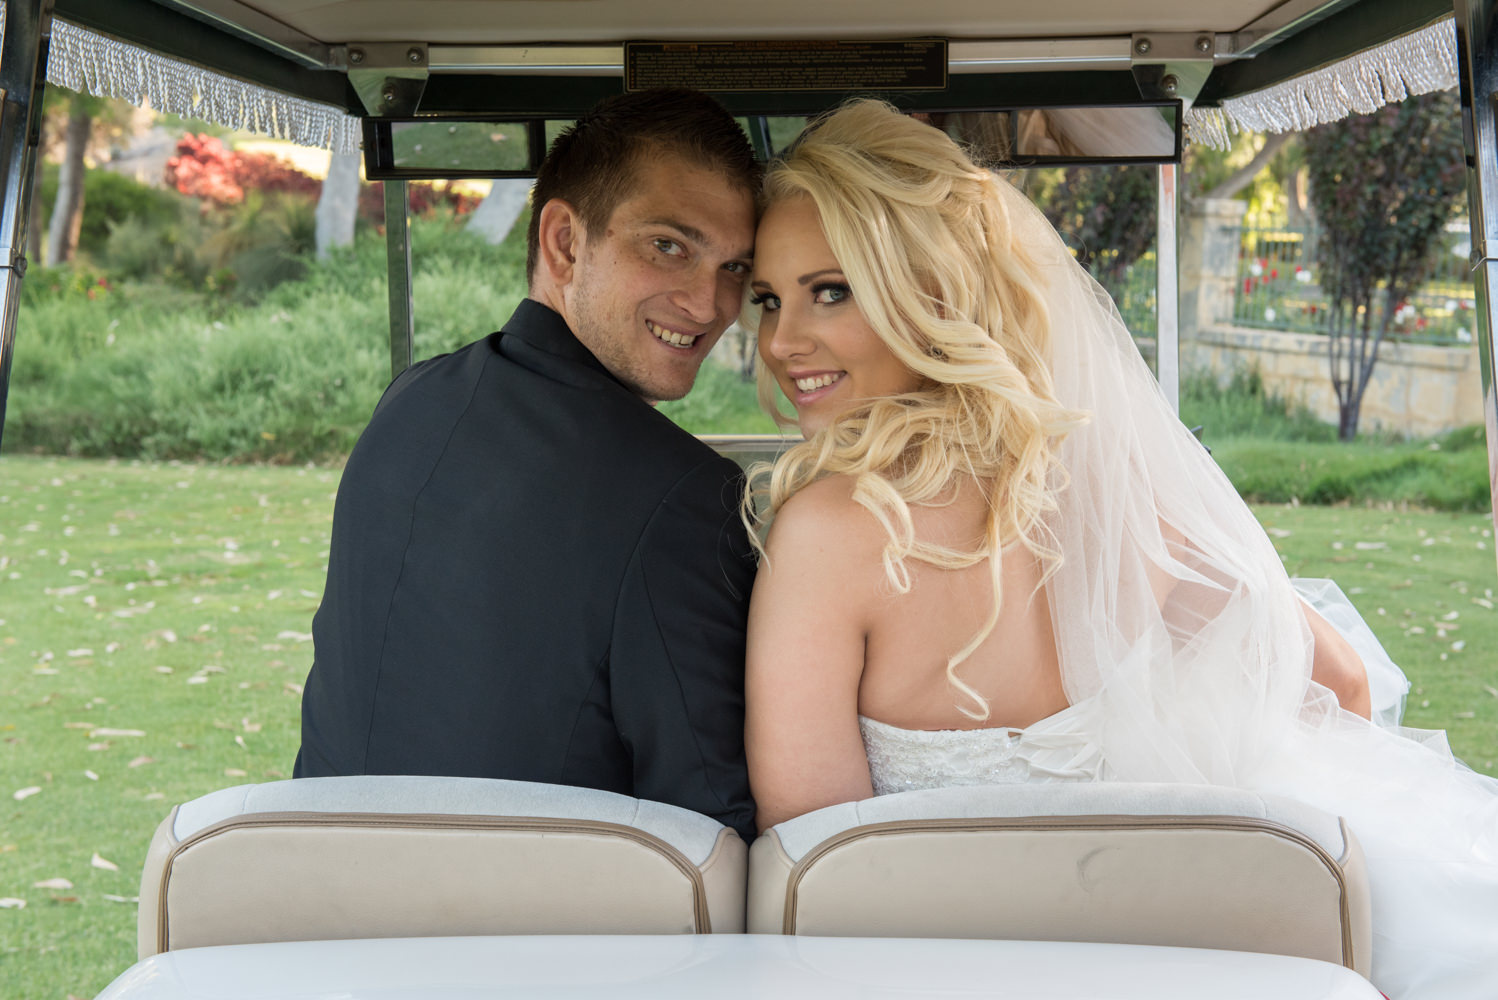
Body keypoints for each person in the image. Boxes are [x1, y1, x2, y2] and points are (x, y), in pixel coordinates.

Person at [741, 100, 1498, 999]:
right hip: (1165, 961)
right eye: (767, 298)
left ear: (934, 293)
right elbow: (1343, 686)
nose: (783, 341)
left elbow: (814, 866)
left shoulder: (831, 533)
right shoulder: (1103, 494)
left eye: (832, 290)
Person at [294, 88, 760, 843]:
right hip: (534, 941)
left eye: (735, 266)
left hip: (326, 911)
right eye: (669, 245)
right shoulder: (683, 499)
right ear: (565, 243)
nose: (710, 304)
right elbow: (712, 828)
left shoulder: (409, 403)